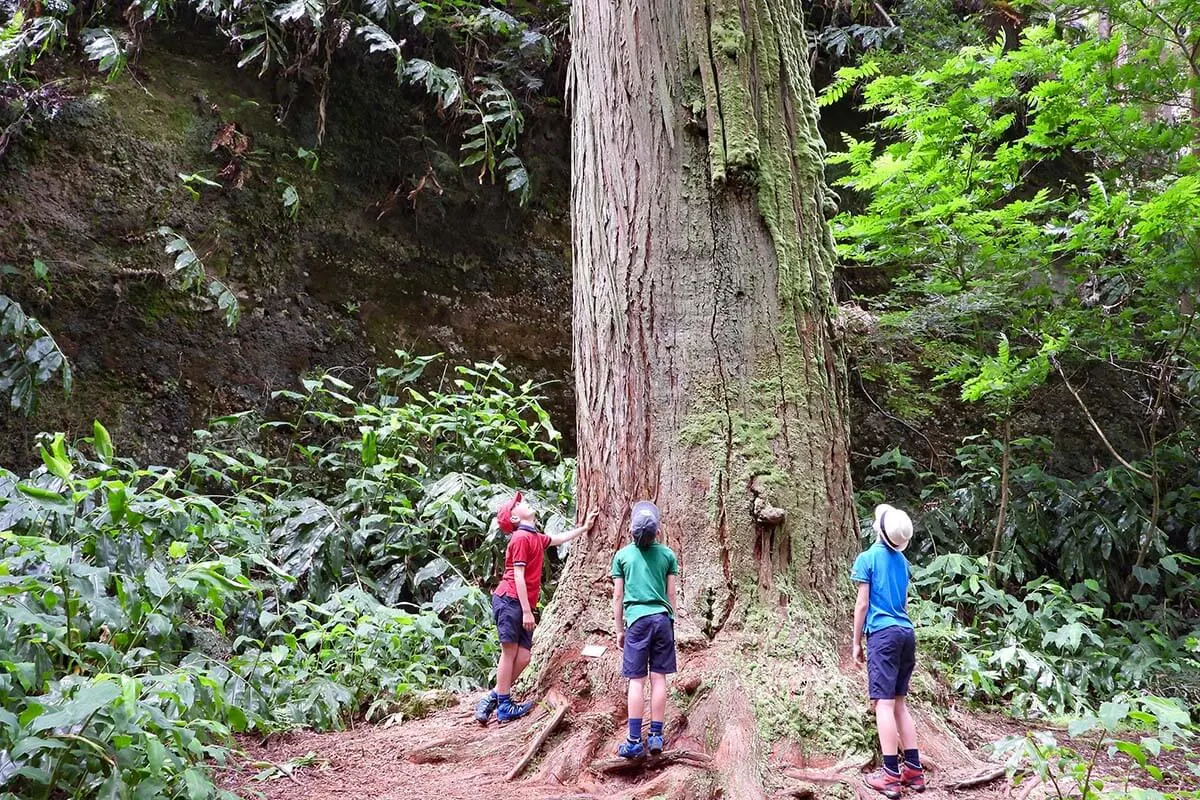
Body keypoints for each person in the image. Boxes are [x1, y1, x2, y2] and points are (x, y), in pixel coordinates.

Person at [474, 492, 596, 725]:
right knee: (509, 653)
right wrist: (527, 611)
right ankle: (504, 705)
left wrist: (584, 528)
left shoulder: (534, 537)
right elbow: (518, 576)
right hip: (510, 599)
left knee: (525, 657)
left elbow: (557, 539)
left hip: (520, 603)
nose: (522, 503)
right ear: (515, 519)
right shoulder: (520, 538)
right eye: (517, 505)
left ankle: (494, 697)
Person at [852, 503, 925, 798]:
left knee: (883, 704)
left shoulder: (867, 558)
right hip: (906, 633)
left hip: (883, 635)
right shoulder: (903, 563)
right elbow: (904, 604)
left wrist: (856, 642)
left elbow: (862, 604)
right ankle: (914, 771)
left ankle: (891, 775)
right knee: (899, 703)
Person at [612, 500, 678, 758]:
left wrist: (619, 629)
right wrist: (671, 620)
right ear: (658, 532)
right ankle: (656, 736)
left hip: (637, 622)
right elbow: (671, 592)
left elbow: (618, 597)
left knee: (636, 681)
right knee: (659, 677)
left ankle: (633, 741)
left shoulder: (622, 556)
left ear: (631, 530)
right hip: (662, 620)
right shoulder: (668, 555)